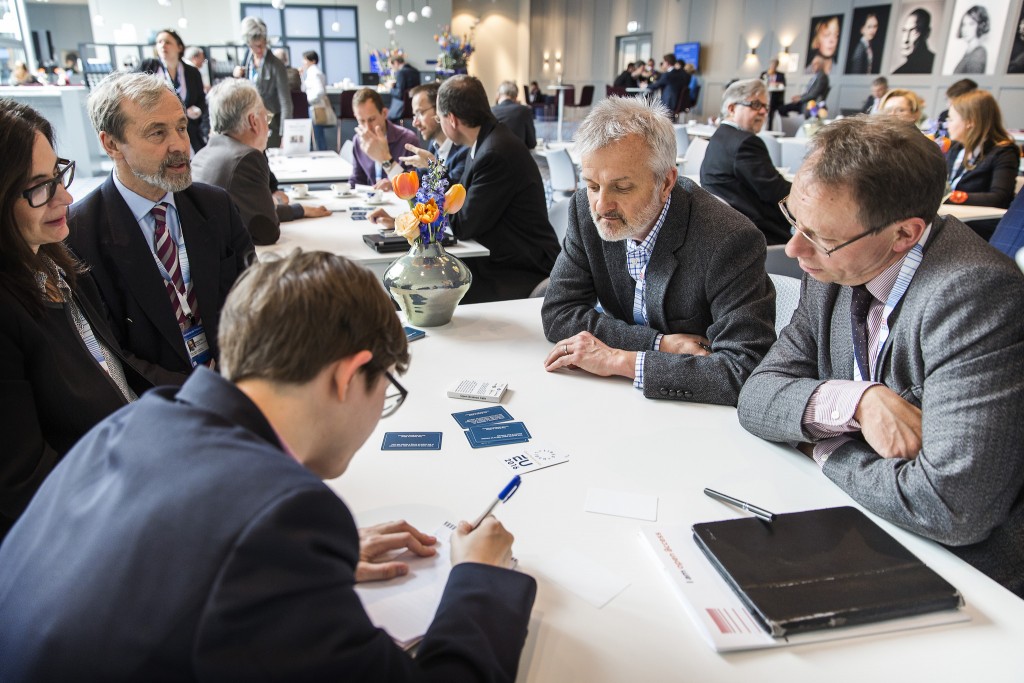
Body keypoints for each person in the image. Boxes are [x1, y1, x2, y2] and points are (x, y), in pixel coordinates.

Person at [0, 250, 537, 678]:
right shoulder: (281, 519)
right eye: (386, 391)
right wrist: (478, 578)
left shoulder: (136, 423)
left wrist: (307, 568)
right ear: (348, 377)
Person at [736, 115, 1024, 598]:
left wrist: (820, 447)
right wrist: (859, 402)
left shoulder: (976, 295)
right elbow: (757, 396)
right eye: (794, 219)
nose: (795, 248)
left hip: (966, 577)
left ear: (905, 234)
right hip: (856, 519)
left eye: (822, 236)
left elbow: (950, 507)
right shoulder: (832, 267)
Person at [0, 100, 183, 541]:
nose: (64, 196)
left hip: (132, 465)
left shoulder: (56, 264)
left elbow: (115, 370)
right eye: (39, 188)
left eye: (57, 175)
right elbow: (23, 483)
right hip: (92, 522)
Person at [541, 96, 775, 405]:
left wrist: (620, 361)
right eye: (592, 185)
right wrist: (658, 344)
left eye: (621, 188)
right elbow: (558, 312)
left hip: (696, 418)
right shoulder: (584, 211)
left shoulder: (729, 239)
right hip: (614, 401)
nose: (601, 204)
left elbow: (743, 368)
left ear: (665, 183)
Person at [68, 71, 255, 376]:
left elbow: (254, 301)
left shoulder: (216, 206)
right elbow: (111, 355)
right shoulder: (78, 234)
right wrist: (201, 396)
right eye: (157, 133)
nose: (180, 145)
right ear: (112, 144)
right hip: (154, 404)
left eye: (181, 128)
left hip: (236, 380)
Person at [435, 75, 560, 303]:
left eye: (439, 117)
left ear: (451, 119)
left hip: (519, 269)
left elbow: (463, 225)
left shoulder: (494, 152)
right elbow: (462, 205)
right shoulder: (487, 142)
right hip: (504, 256)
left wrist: (437, 178)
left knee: (433, 292)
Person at [192, 79, 330, 246]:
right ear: (254, 122)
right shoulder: (246, 158)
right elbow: (267, 232)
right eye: (267, 117)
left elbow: (248, 215)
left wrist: (299, 210)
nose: (268, 126)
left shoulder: (204, 154)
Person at [701, 79, 792, 246]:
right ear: (732, 108)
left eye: (766, 107)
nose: (763, 112)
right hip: (762, 237)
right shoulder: (745, 143)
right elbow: (776, 192)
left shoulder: (720, 136)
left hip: (728, 232)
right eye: (756, 105)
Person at [944, 90, 1018, 239]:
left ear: (970, 121)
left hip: (980, 225)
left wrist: (950, 197)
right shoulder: (955, 148)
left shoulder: (1003, 152)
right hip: (951, 217)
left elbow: (999, 197)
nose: (947, 125)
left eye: (951, 119)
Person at [139, 29, 207, 153]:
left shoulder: (192, 72)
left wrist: (199, 110)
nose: (163, 45)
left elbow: (202, 100)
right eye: (159, 42)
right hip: (157, 132)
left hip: (189, 132)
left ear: (179, 47)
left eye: (167, 42)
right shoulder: (148, 67)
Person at [239, 17, 291, 149]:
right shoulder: (247, 62)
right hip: (250, 121)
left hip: (271, 122)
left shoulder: (276, 65)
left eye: (263, 44)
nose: (260, 49)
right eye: (255, 46)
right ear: (248, 43)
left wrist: (285, 133)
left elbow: (286, 102)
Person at [350, 88, 420, 187]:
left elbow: (414, 185)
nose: (367, 127)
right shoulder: (358, 140)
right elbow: (357, 180)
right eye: (361, 121)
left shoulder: (408, 140)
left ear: (384, 113)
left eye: (372, 119)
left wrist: (384, 159)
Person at [300, 50, 337, 152]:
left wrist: (309, 101)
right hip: (315, 106)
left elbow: (320, 91)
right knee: (317, 135)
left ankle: (323, 156)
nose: (303, 62)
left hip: (315, 107)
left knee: (317, 135)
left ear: (312, 60)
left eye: (305, 60)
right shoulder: (312, 72)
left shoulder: (314, 72)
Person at [492, 80, 536, 149]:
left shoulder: (490, 112)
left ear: (498, 95)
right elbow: (532, 143)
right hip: (518, 157)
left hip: (494, 156)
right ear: (516, 97)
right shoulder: (524, 111)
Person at [893, 9, 935, 74]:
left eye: (913, 31)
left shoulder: (933, 63)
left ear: (926, 33)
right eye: (904, 31)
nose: (906, 40)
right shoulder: (898, 72)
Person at [953, 5, 990, 74]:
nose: (965, 29)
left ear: (980, 26)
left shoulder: (978, 54)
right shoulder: (969, 52)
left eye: (971, 24)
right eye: (964, 24)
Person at [387, 53, 420, 122]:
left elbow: (400, 94)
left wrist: (390, 89)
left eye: (392, 66)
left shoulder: (401, 73)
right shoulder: (416, 71)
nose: (393, 69)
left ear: (396, 63)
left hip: (402, 108)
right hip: (414, 106)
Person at [760, 58, 787, 129]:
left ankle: (770, 128)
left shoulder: (781, 75)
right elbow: (760, 83)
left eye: (775, 65)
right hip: (765, 95)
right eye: (772, 64)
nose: (773, 66)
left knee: (771, 108)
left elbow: (783, 85)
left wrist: (775, 84)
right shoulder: (764, 74)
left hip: (776, 97)